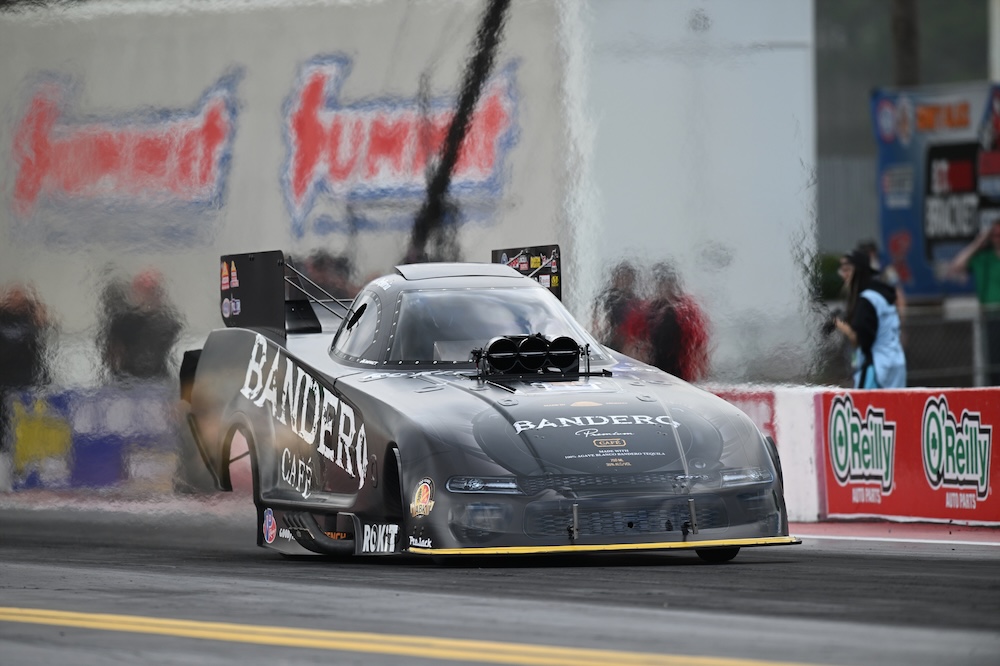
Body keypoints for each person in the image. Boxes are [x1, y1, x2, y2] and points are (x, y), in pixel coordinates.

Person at [833, 249, 906, 388]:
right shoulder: (881, 295)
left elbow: (860, 340)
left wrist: (837, 323)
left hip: (876, 368)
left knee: (865, 402)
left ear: (858, 271)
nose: (843, 275)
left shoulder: (866, 300)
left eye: (847, 270)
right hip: (896, 364)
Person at [98, 270, 183, 381]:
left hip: (156, 380)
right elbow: (111, 358)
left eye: (153, 292)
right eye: (144, 292)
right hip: (128, 381)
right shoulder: (123, 323)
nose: (148, 297)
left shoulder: (169, 324)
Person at [0, 283, 52, 451]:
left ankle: (23, 448)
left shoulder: (30, 318)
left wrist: (34, 300)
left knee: (25, 420)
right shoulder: (3, 317)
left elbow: (44, 322)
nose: (15, 299)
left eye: (19, 297)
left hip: (26, 379)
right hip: (4, 378)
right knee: (5, 422)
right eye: (12, 296)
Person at [947, 220, 1000, 384]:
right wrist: (979, 242)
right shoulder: (984, 258)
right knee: (993, 360)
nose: (997, 238)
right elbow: (956, 265)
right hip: (990, 315)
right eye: (994, 235)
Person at [644, 262, 710, 381]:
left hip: (678, 364)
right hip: (655, 363)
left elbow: (697, 342)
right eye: (661, 283)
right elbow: (641, 339)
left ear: (674, 284)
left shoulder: (685, 308)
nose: (665, 287)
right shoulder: (651, 308)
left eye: (668, 283)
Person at [857, 240, 907, 323]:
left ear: (874, 253)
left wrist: (902, 316)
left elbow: (898, 293)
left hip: (885, 314)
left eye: (868, 253)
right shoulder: (858, 271)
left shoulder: (885, 269)